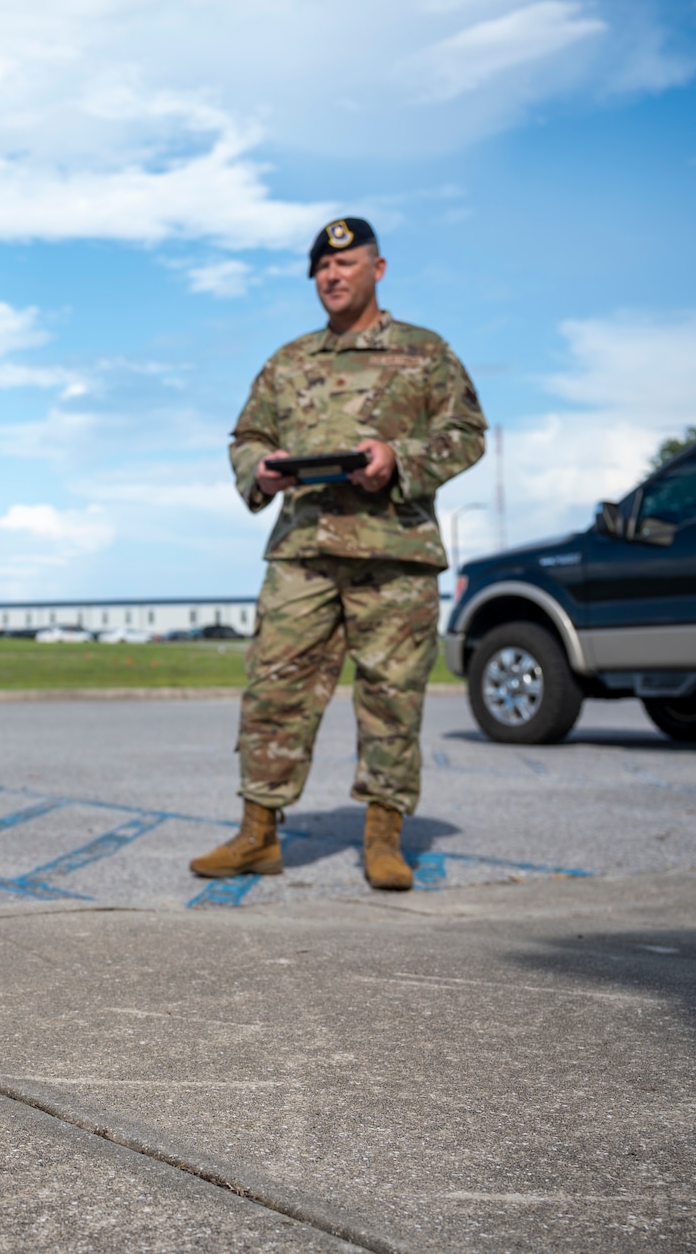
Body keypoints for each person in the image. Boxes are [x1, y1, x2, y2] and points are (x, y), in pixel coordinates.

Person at [190, 217, 486, 890]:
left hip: (396, 553)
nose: (332, 275)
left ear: (378, 270)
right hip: (303, 551)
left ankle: (384, 837)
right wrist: (259, 470)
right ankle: (256, 833)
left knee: (391, 697)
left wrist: (398, 457)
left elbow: (468, 433)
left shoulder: (425, 352)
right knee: (273, 688)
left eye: (346, 263)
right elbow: (246, 435)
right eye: (322, 266)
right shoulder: (289, 360)